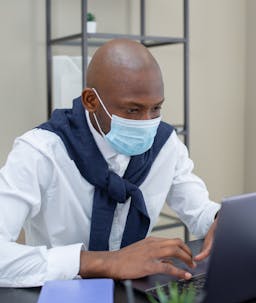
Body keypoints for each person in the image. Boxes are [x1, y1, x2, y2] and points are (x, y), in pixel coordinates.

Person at [0, 39, 220, 287]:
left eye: (156, 108)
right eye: (132, 111)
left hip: (135, 294)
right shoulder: (40, 152)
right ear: (90, 101)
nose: (146, 122)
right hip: (56, 295)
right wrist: (105, 262)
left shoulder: (165, 144)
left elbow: (199, 210)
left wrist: (219, 219)